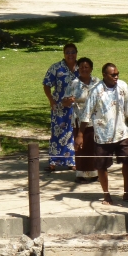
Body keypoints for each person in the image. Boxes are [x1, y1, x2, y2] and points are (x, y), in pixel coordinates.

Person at [77, 63, 128, 206]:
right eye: (113, 74)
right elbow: (86, 114)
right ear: (104, 75)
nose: (116, 77)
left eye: (117, 74)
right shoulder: (95, 91)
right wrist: (80, 134)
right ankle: (106, 194)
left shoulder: (123, 86)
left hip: (122, 133)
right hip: (103, 136)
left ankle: (127, 191)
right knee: (102, 166)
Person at [43, 43, 79, 172]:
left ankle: (72, 162)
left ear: (76, 53)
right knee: (57, 133)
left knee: (73, 133)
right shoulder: (56, 68)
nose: (70, 55)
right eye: (68, 52)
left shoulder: (81, 67)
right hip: (59, 107)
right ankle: (53, 162)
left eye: (73, 52)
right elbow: (46, 85)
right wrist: (52, 101)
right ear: (64, 54)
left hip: (77, 107)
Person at [65, 57, 100, 183]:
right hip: (79, 119)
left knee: (94, 146)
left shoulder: (97, 82)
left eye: (86, 67)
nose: (84, 69)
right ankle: (81, 174)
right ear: (78, 69)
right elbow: (64, 101)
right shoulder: (73, 83)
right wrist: (68, 101)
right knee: (81, 146)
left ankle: (95, 173)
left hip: (95, 119)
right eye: (81, 67)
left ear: (91, 68)